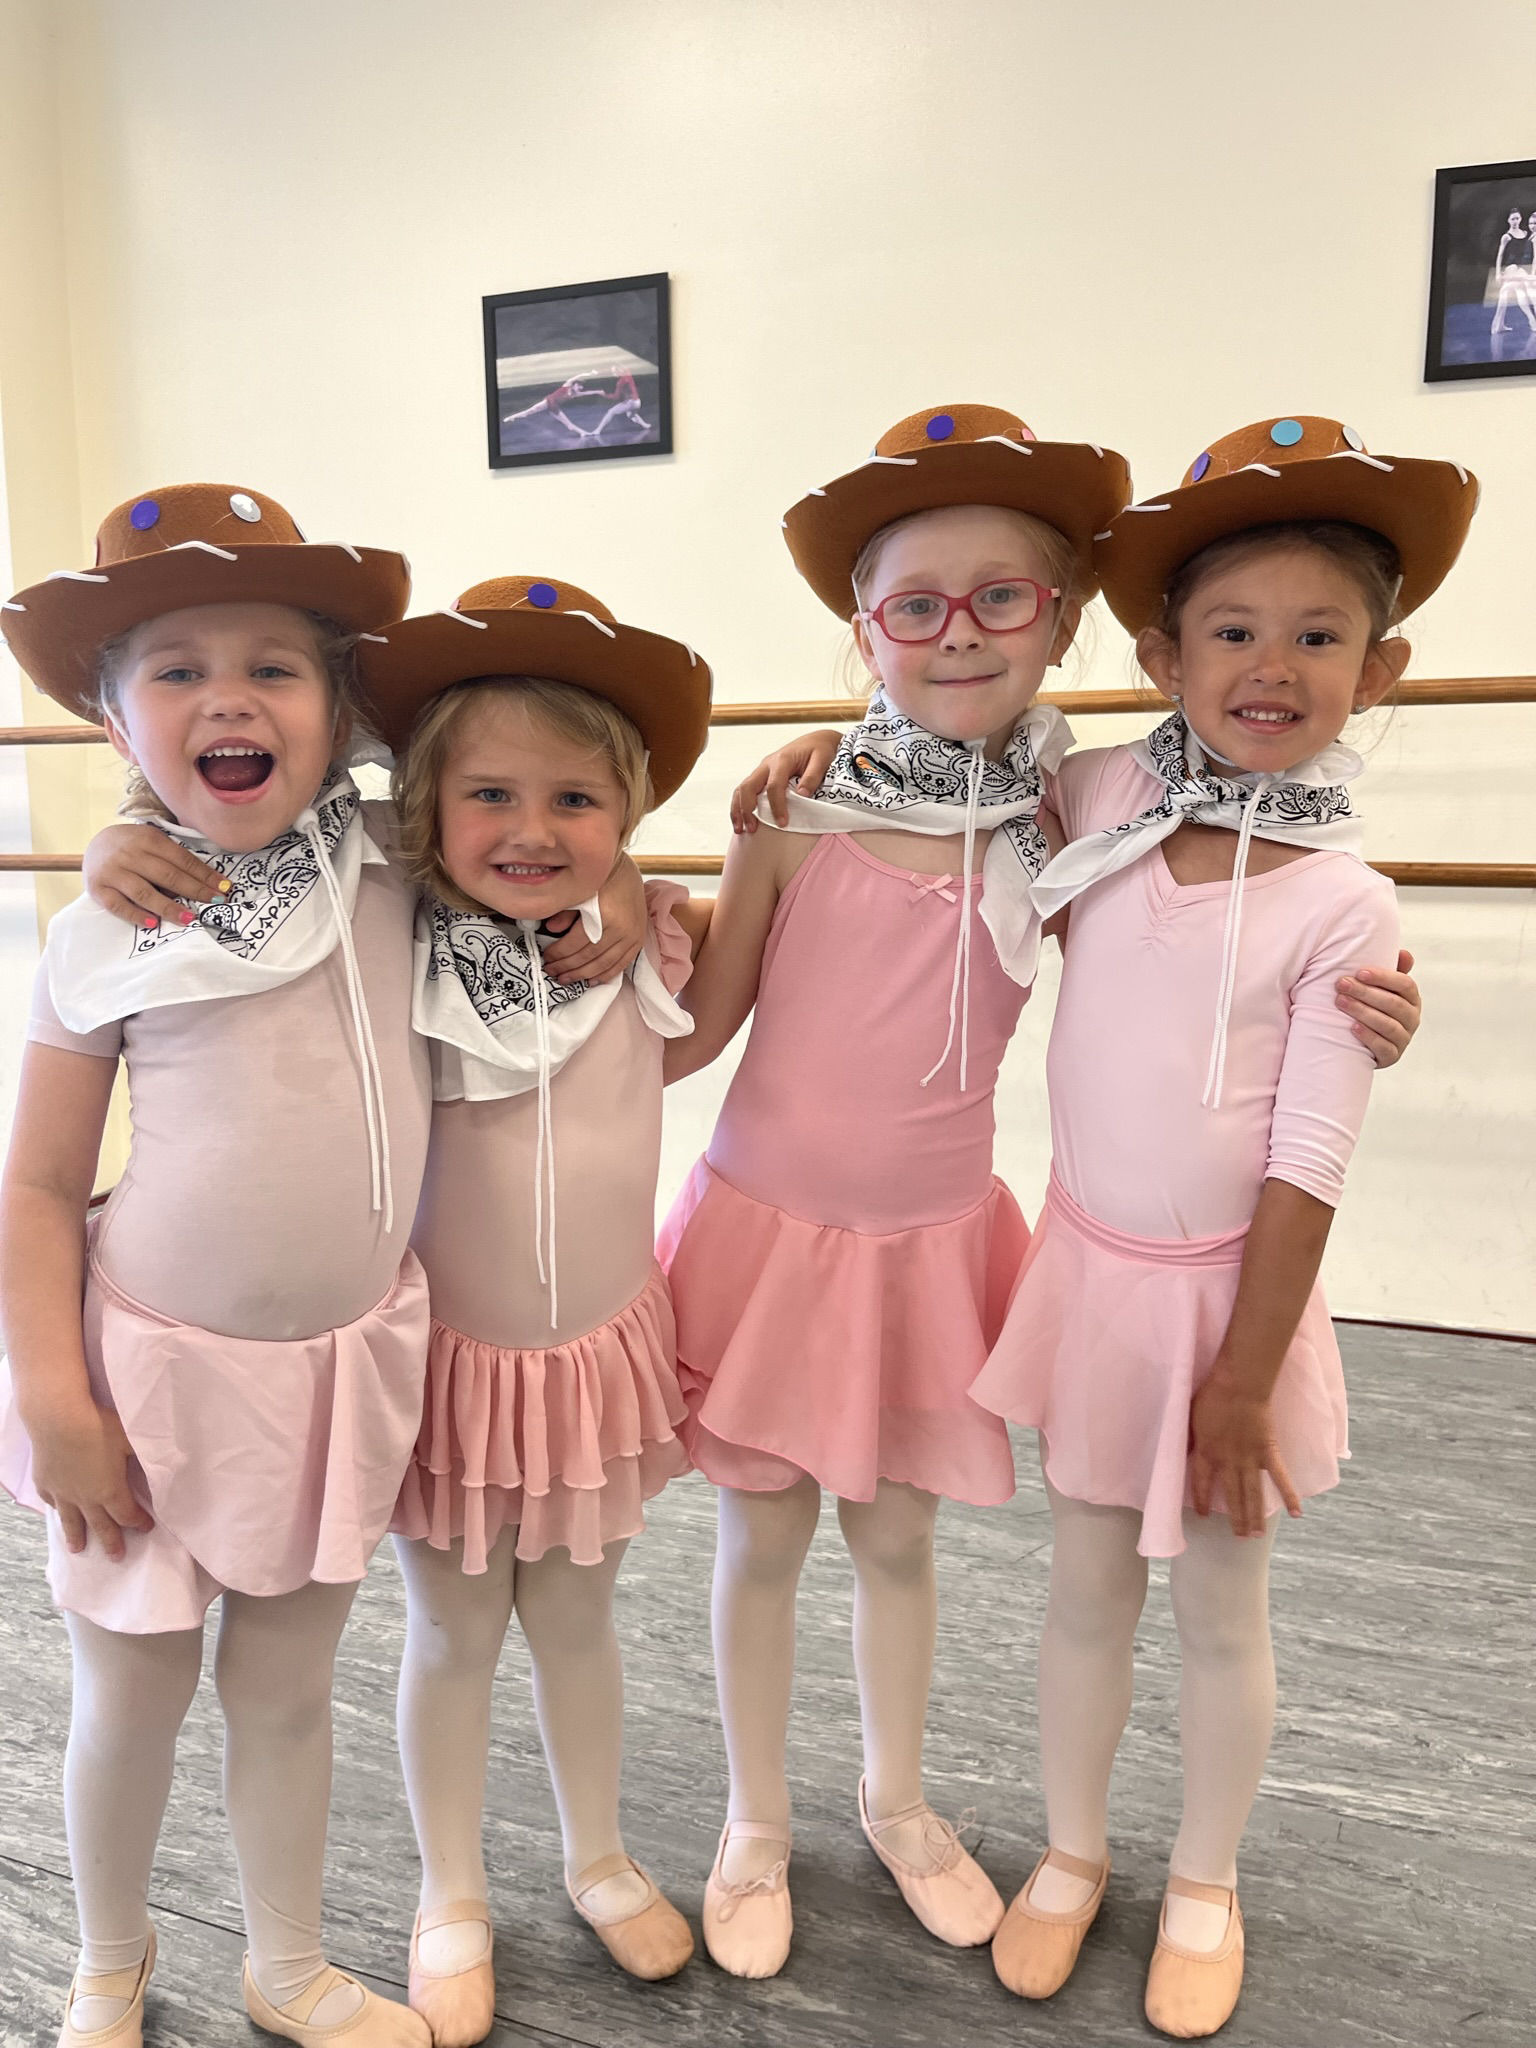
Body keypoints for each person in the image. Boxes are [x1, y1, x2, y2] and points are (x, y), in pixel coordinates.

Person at [968, 415, 1478, 2037]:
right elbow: (934, 790)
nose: (1274, 666)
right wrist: (792, 769)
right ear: (1159, 650)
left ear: (1377, 672)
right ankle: (1069, 1852)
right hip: (1095, 1278)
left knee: (1219, 1606)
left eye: (1319, 636)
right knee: (1083, 1586)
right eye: (1235, 631)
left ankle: (1204, 1876)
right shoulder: (1095, 797)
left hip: (1235, 1307)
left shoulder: (1348, 903)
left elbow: (1309, 1158)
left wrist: (1247, 1379)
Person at [659, 404, 1134, 1976]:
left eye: (1002, 597)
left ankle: (896, 1797)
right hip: (771, 1233)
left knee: (901, 1542)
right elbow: (705, 1026)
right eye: (915, 604)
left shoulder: (1066, 815)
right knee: (763, 1539)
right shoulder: (799, 809)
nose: (960, 632)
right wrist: (590, 969)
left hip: (930, 1241)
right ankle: (750, 1818)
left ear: (1059, 618)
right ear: (864, 628)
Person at [0, 485, 434, 2046]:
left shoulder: (401, 865)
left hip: (331, 1373)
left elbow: (546, 804)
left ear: (339, 710)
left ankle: (289, 1961)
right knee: (131, 1695)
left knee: (287, 1693)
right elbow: (42, 1183)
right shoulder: (106, 929)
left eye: (274, 666)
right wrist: (53, 1396)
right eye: (174, 670)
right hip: (145, 1381)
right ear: (117, 720)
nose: (228, 697)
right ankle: (107, 1961)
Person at [357, 574, 710, 2042]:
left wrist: (634, 893)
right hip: (456, 1365)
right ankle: (451, 1889)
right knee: (450, 1636)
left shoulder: (650, 946)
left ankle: (598, 1854)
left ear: (624, 818)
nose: (533, 831)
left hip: (594, 1358)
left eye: (576, 800)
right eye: (490, 793)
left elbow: (691, 893)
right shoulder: (385, 951)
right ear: (425, 812)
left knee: (578, 1622)